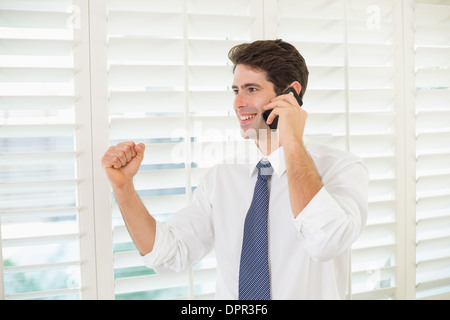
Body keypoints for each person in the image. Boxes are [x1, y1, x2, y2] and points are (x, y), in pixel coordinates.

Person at [101, 39, 368, 300]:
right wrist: (123, 188)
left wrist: (292, 141)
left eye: (251, 89)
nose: (238, 103)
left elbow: (325, 242)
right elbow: (170, 255)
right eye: (235, 90)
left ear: (291, 93)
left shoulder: (342, 169)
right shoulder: (221, 178)